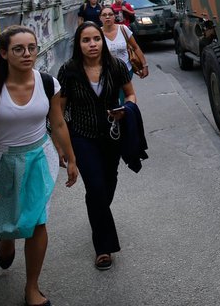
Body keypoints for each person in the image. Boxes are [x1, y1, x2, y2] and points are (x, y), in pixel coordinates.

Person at [0, 25, 78, 306]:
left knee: (37, 221)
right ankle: (7, 238)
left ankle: (32, 288)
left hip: (39, 159)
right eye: (18, 49)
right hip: (3, 162)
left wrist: (71, 158)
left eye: (31, 47)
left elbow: (57, 122)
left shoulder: (47, 83)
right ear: (4, 53)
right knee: (7, 220)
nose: (27, 53)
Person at [57, 22, 135, 271]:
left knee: (107, 185)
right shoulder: (68, 71)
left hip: (112, 136)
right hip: (82, 136)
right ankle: (104, 248)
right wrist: (61, 146)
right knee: (96, 187)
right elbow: (59, 110)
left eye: (96, 39)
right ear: (78, 45)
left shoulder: (116, 66)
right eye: (86, 40)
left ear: (103, 41)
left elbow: (130, 94)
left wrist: (127, 109)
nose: (92, 44)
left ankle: (98, 210)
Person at [99, 5, 149, 83]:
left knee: (124, 94)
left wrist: (144, 65)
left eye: (110, 14)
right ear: (100, 18)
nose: (107, 17)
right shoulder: (97, 34)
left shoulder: (123, 29)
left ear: (114, 16)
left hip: (126, 71)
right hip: (107, 74)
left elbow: (135, 47)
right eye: (104, 15)